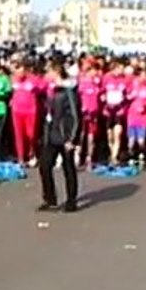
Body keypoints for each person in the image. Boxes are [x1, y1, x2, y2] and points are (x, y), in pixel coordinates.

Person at [37, 61, 81, 213]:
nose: (46, 74)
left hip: (64, 135)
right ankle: (50, 199)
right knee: (44, 166)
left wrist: (72, 139)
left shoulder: (69, 91)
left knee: (68, 168)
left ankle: (71, 200)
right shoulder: (52, 90)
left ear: (56, 72)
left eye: (48, 71)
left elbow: (75, 116)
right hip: (51, 134)